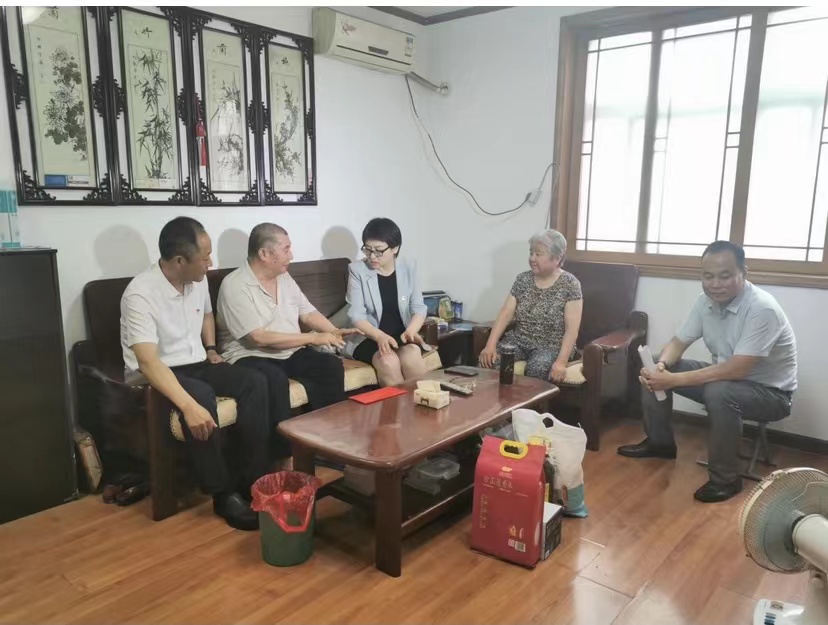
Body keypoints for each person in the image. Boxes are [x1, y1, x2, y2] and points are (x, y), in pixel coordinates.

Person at [617, 241, 797, 503]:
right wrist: (662, 367)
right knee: (654, 364)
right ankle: (659, 443)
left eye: (725, 276)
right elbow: (678, 342)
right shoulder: (705, 302)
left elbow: (738, 368)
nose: (715, 284)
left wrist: (672, 380)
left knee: (719, 391)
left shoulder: (762, 308)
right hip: (724, 379)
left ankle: (726, 479)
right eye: (708, 276)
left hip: (771, 394)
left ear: (743, 272)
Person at [120, 217, 269, 531]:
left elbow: (207, 315)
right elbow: (147, 362)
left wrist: (211, 347)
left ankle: (250, 479)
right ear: (180, 261)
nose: (210, 263)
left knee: (254, 381)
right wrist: (188, 406)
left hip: (196, 363)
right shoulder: (140, 294)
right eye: (205, 257)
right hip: (155, 375)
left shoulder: (197, 280)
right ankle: (222, 494)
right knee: (200, 396)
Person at [216, 223, 357, 458]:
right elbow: (258, 338)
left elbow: (308, 313)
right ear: (264, 253)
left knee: (329, 366)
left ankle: (329, 445)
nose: (291, 255)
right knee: (274, 379)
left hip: (289, 351)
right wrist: (313, 338)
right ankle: (283, 458)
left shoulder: (283, 276)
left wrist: (333, 332)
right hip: (250, 356)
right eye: (286, 249)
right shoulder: (235, 284)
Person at [478, 229, 583, 382]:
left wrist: (561, 362)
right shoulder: (523, 279)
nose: (532, 258)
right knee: (489, 361)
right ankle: (495, 398)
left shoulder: (570, 284)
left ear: (557, 258)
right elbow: (506, 312)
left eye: (538, 254)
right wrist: (490, 345)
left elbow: (572, 330)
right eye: (531, 253)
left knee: (537, 368)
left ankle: (529, 400)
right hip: (519, 340)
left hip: (551, 345)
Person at [343, 217, 430, 387]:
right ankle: (398, 405)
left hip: (399, 334)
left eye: (378, 251)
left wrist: (411, 331)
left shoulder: (408, 267)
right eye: (368, 250)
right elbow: (356, 316)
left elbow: (419, 307)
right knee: (388, 360)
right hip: (368, 337)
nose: (372, 256)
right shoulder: (357, 270)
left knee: (412, 355)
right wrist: (379, 336)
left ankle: (424, 402)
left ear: (395, 248)